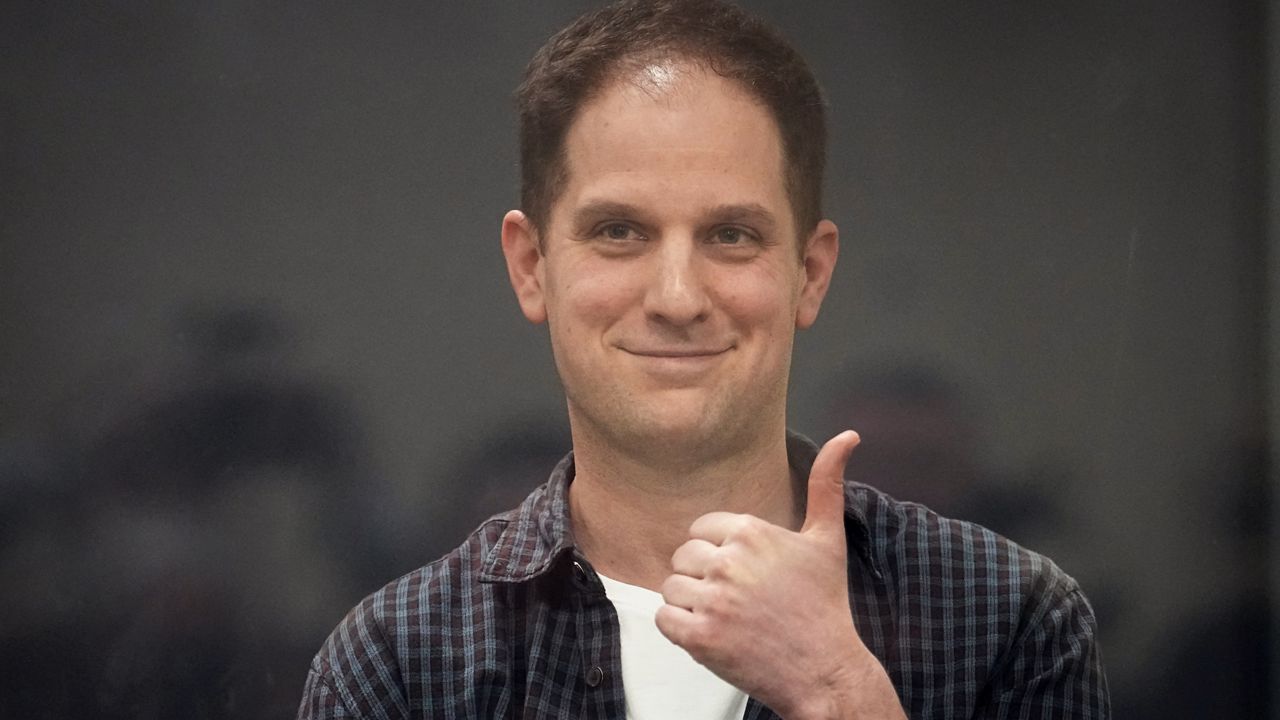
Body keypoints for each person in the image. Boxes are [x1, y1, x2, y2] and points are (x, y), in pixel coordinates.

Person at [297, 1, 1110, 718]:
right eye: (619, 231)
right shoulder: (400, 663)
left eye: (731, 235)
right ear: (531, 265)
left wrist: (837, 692)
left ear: (810, 273)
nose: (678, 296)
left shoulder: (1010, 619)